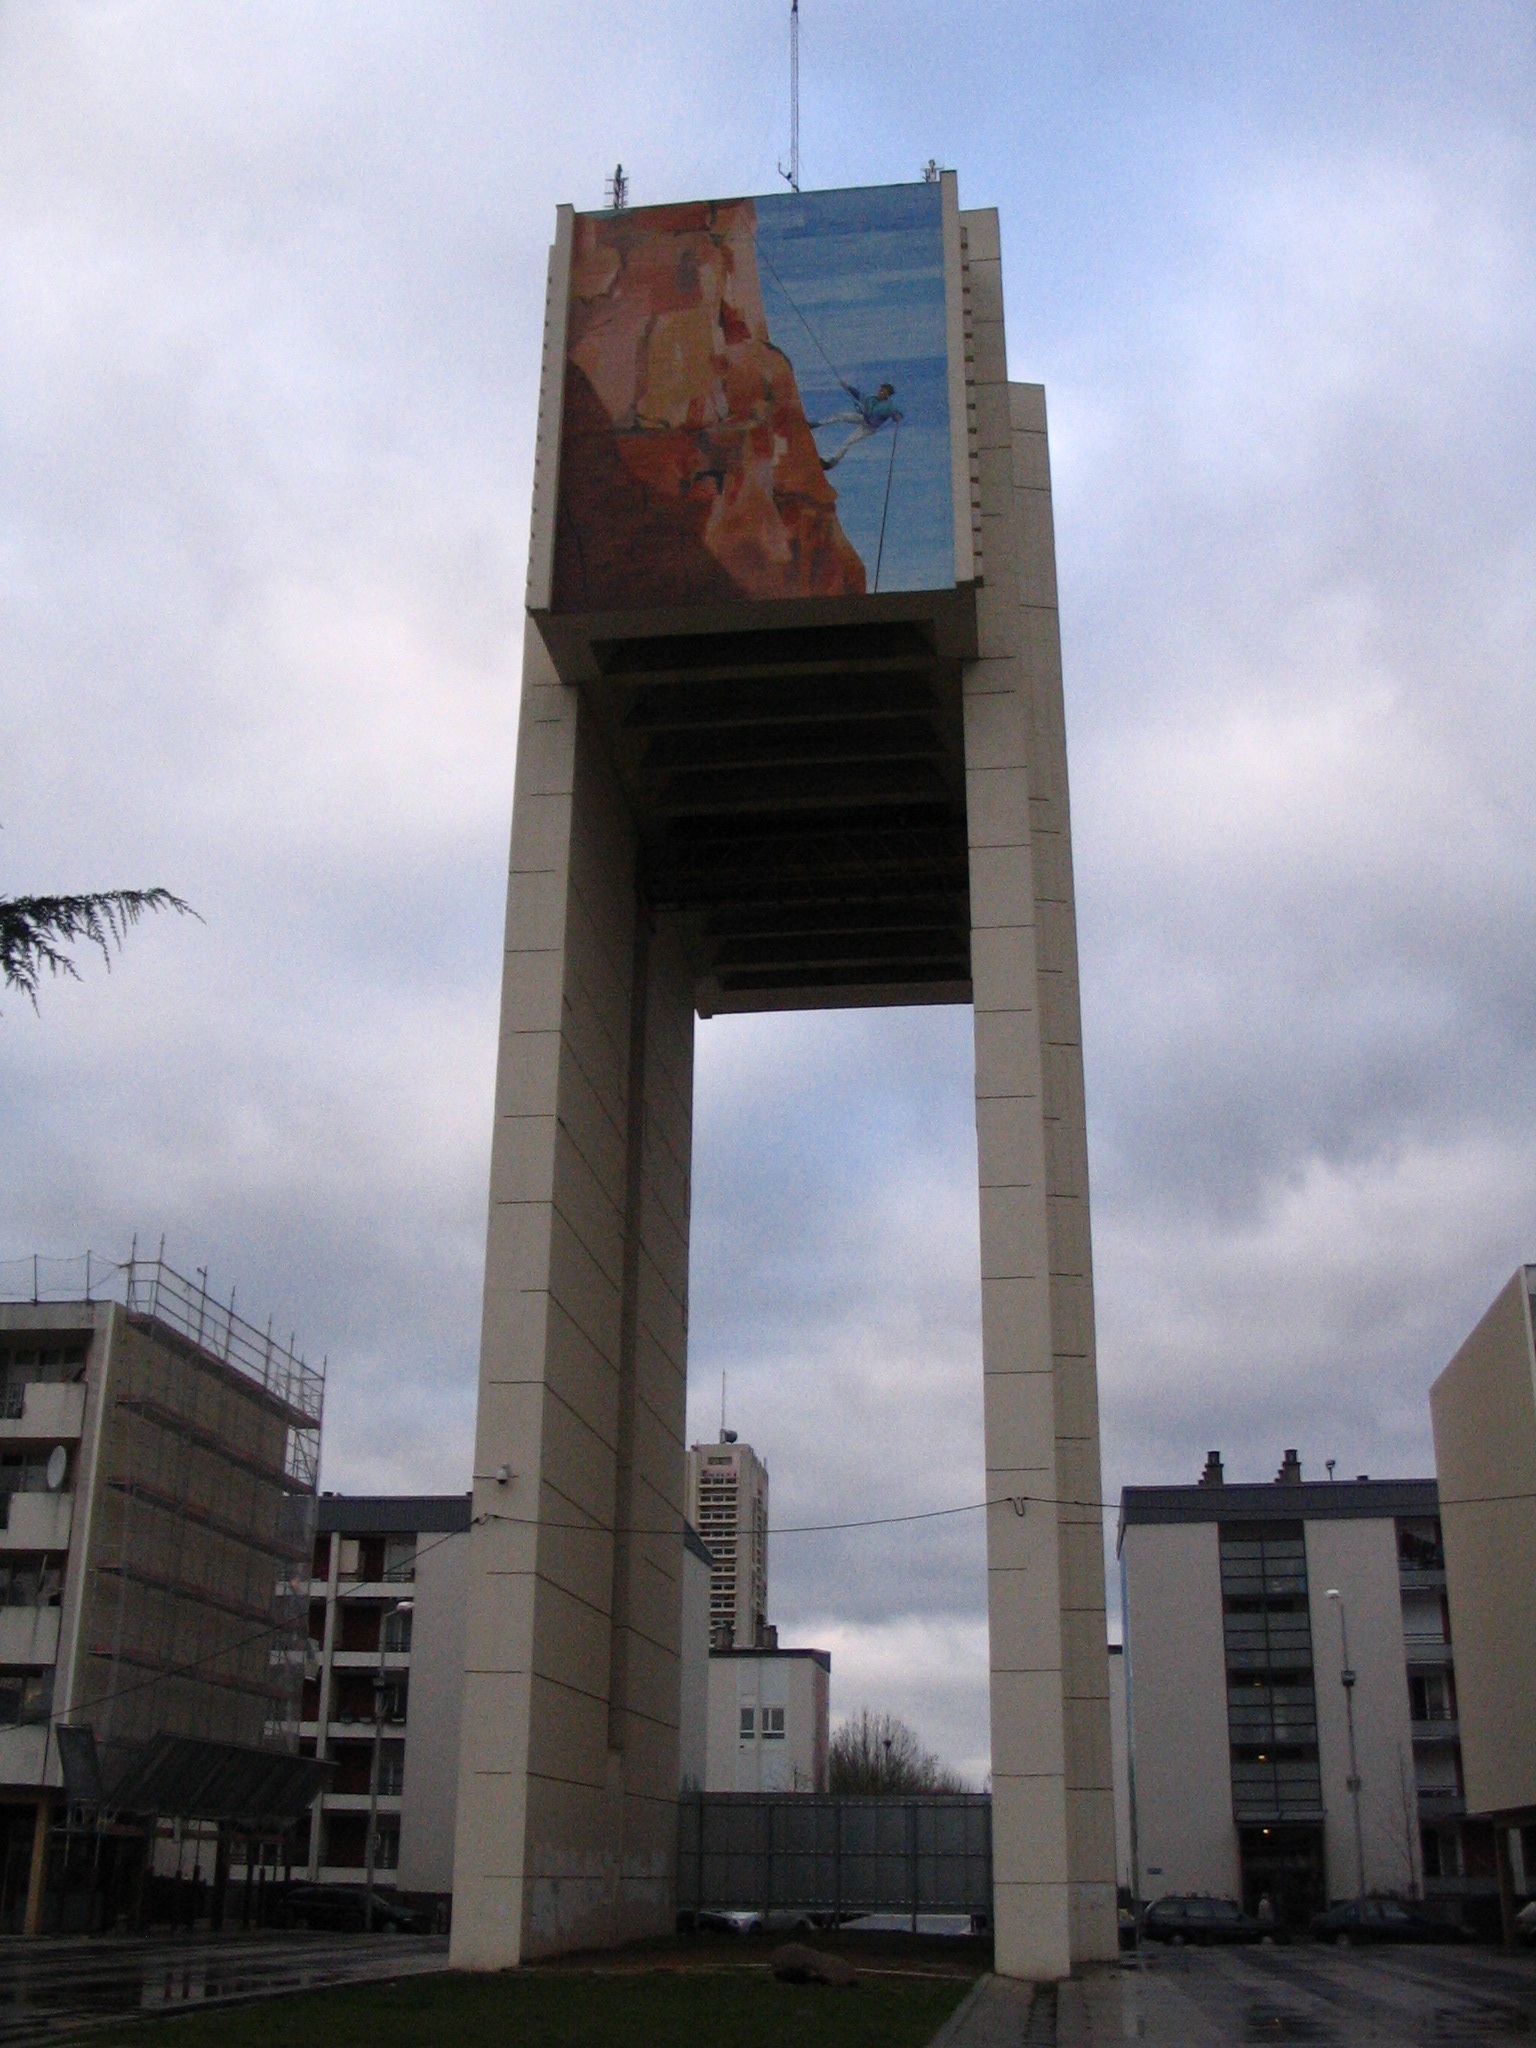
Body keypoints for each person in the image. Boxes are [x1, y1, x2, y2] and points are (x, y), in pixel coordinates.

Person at [813, 382, 901, 470]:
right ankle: (816, 424)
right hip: (863, 418)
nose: (880, 392)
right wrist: (847, 387)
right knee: (841, 416)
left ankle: (831, 463)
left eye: (883, 391)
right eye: (880, 390)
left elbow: (895, 412)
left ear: (887, 394)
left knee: (848, 442)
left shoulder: (889, 405)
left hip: (869, 428)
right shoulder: (870, 399)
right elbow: (858, 394)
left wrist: (897, 416)